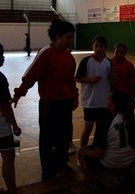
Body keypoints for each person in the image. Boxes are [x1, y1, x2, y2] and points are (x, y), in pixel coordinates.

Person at [12, 19, 79, 180]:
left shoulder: (69, 57)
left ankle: (62, 164)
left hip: (65, 104)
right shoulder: (45, 54)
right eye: (68, 37)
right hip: (49, 105)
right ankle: (48, 170)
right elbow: (30, 77)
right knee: (48, 139)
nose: (70, 41)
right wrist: (19, 94)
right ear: (58, 36)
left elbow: (71, 80)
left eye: (72, 37)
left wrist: (74, 97)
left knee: (64, 136)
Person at [78, 91, 135, 170]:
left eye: (109, 98)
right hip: (130, 159)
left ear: (114, 105)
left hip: (111, 163)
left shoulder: (105, 123)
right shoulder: (133, 119)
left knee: (81, 152)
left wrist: (85, 152)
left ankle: (90, 179)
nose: (106, 100)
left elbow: (98, 153)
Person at [75, 36, 112, 147]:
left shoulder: (108, 62)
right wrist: (89, 79)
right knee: (88, 128)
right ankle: (82, 153)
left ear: (105, 48)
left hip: (104, 103)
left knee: (101, 129)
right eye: (96, 45)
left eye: (101, 46)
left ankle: (96, 149)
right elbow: (78, 78)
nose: (98, 48)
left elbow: (111, 80)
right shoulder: (86, 61)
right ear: (93, 46)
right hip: (90, 102)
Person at [0, 43, 21, 191]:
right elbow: (5, 107)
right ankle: (12, 191)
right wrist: (15, 125)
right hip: (1, 129)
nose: (3, 58)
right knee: (8, 158)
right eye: (1, 55)